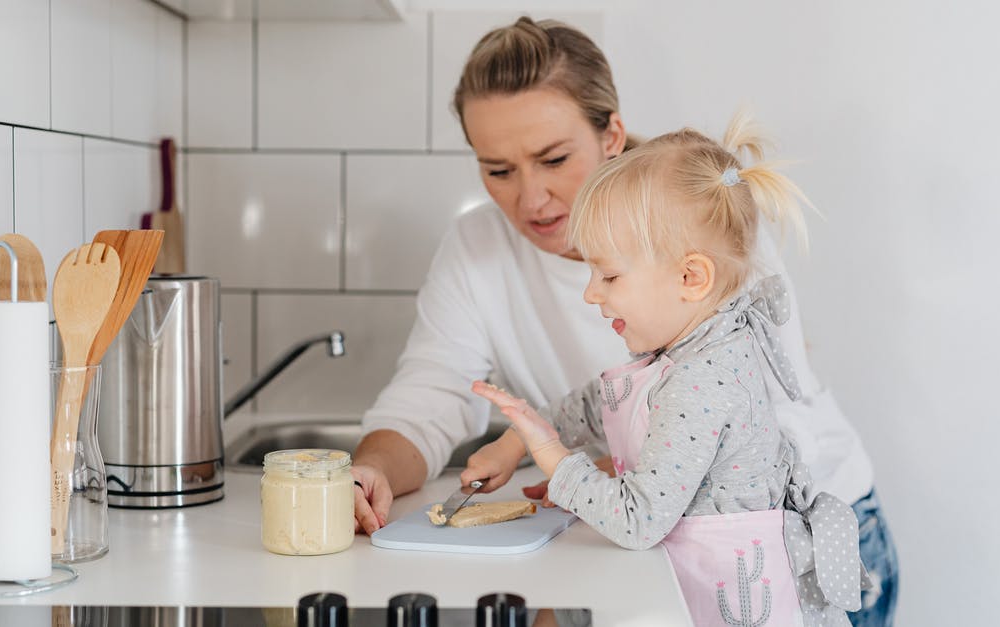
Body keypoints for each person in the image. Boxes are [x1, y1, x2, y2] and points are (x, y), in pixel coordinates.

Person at [351, 16, 898, 624]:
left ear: (611, 134)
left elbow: (737, 430)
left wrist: (566, 464)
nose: (531, 199)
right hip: (668, 553)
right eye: (498, 170)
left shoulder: (701, 222)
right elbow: (443, 395)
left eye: (553, 159)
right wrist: (372, 469)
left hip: (793, 553)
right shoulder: (476, 248)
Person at [470, 112, 864, 625]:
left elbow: (638, 520)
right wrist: (514, 440)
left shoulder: (704, 381)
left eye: (608, 274)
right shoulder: (682, 350)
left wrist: (554, 458)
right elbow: (597, 403)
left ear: (690, 276)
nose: (592, 293)